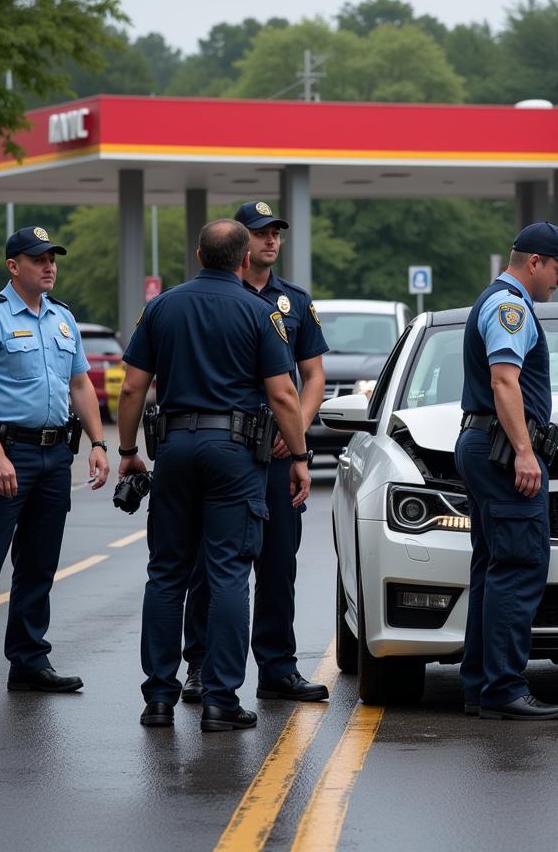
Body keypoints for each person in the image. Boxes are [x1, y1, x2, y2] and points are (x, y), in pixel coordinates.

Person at [116, 219, 311, 732]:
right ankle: (221, 700)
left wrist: (129, 450)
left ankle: (158, 698)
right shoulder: (259, 312)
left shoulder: (161, 307)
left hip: (174, 447)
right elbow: (284, 394)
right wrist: (299, 457)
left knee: (166, 573)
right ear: (244, 260)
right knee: (228, 571)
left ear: (199, 254)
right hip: (234, 452)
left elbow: (133, 389)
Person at [0, 227, 110, 702]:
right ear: (14, 266)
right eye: (38, 259)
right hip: (6, 453)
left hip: (55, 454)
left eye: (53, 258)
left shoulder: (63, 319)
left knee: (39, 563)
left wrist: (99, 442)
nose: (49, 266)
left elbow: (80, 385)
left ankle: (29, 661)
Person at [180, 200, 329, 704]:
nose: (270, 240)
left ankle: (277, 668)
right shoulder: (218, 293)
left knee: (278, 561)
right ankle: (199, 665)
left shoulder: (295, 301)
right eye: (260, 232)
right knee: (212, 561)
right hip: (231, 445)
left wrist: (298, 431)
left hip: (279, 449)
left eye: (276, 233)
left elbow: (312, 377)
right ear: (240, 244)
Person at [456, 221, 558, 721]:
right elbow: (504, 381)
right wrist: (525, 451)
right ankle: (504, 688)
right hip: (503, 451)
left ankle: (481, 686)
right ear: (534, 262)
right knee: (518, 567)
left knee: (493, 569)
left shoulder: (502, 301)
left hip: (486, 445)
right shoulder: (510, 307)